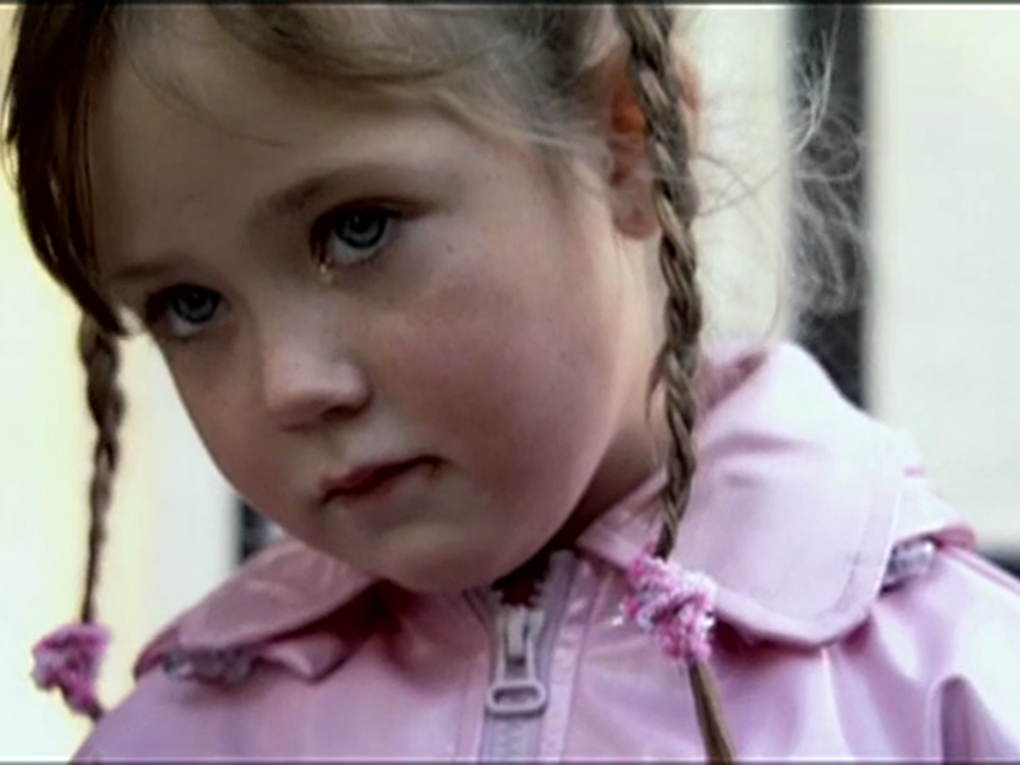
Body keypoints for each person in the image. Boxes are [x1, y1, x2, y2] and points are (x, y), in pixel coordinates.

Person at [8, 4, 1020, 761]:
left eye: (356, 230)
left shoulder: (951, 692)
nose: (288, 385)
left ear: (627, 145)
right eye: (190, 305)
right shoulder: (180, 738)